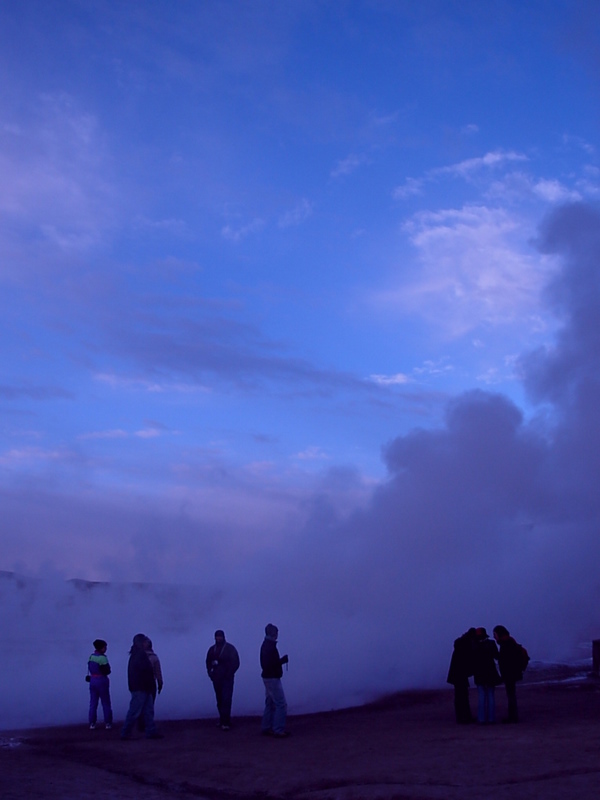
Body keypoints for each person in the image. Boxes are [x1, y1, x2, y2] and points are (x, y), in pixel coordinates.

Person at [120, 633, 163, 740]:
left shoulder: (136, 655)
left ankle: (150, 731)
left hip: (143, 687)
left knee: (147, 710)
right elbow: (145, 671)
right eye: (144, 641)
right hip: (141, 687)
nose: (146, 643)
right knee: (136, 711)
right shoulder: (140, 655)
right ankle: (125, 733)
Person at [206, 629, 240, 730]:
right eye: (217, 636)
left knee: (226, 699)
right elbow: (208, 662)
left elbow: (236, 662)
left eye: (220, 636)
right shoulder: (212, 649)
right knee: (219, 700)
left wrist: (229, 673)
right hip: (216, 678)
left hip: (227, 679)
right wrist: (210, 674)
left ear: (223, 637)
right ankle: (222, 720)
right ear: (215, 637)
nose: (219, 638)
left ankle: (226, 721)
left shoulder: (230, 648)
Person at [260, 623, 289, 738]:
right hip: (272, 678)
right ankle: (278, 729)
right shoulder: (270, 646)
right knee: (281, 704)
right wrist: (282, 661)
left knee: (270, 702)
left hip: (267, 677)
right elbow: (270, 664)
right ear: (273, 633)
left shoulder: (266, 645)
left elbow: (266, 664)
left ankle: (266, 727)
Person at [493, 625, 524, 723]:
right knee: (511, 694)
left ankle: (513, 717)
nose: (494, 637)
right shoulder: (510, 641)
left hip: (509, 674)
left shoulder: (505, 644)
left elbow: (505, 660)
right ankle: (513, 716)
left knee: (511, 695)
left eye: (495, 634)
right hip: (513, 673)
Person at [446, 628, 476, 723]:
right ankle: (465, 717)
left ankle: (461, 717)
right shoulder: (467, 645)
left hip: (456, 674)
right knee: (463, 696)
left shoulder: (460, 643)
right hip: (461, 674)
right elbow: (469, 660)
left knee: (459, 696)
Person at [473, 627, 501, 724]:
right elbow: (497, 657)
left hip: (479, 673)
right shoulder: (491, 643)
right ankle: (491, 718)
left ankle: (481, 719)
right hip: (490, 672)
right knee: (490, 695)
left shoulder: (474, 645)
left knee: (481, 695)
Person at [137, 637, 163, 732]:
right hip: (151, 684)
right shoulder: (154, 657)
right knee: (149, 706)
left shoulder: (137, 657)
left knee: (140, 705)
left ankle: (140, 725)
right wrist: (160, 683)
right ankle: (148, 725)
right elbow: (158, 672)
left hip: (139, 684)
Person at [87, 638, 113, 730]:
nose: (106, 648)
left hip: (93, 680)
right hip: (102, 680)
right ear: (101, 648)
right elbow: (107, 671)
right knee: (106, 703)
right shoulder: (103, 658)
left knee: (93, 703)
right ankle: (108, 723)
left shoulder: (91, 656)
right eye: (105, 647)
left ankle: (92, 723)